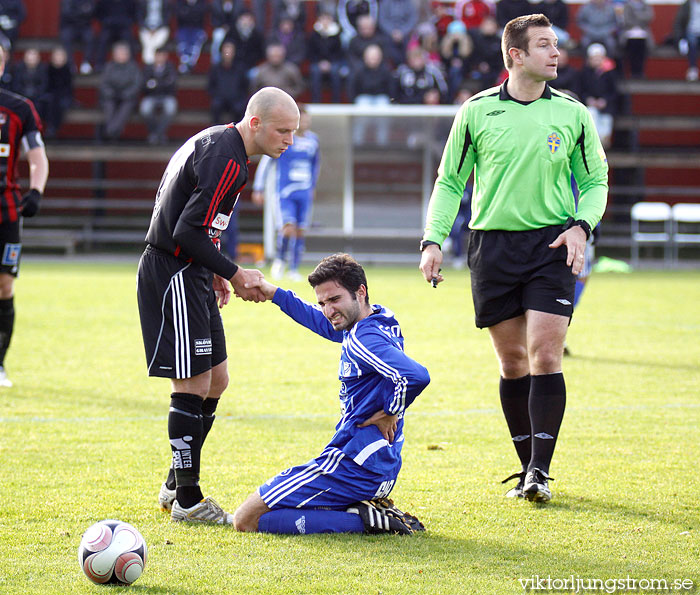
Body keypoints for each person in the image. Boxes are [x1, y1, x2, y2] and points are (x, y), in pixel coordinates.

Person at [419, 14, 608, 503]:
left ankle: (540, 472)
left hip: (551, 244)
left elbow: (595, 184)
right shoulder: (476, 112)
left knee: (546, 354)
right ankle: (526, 467)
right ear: (515, 55)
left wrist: (581, 227)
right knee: (513, 362)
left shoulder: (572, 114)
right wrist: (433, 239)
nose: (555, 53)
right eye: (544, 45)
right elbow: (450, 183)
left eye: (556, 45)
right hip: (492, 247)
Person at [137, 87, 299, 524]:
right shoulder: (225, 157)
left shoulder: (221, 146)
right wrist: (233, 271)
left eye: (293, 132)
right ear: (255, 123)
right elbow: (185, 230)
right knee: (190, 385)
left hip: (191, 270)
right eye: (283, 131)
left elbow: (198, 222)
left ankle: (176, 481)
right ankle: (188, 499)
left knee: (217, 380)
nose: (289, 140)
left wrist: (212, 268)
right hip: (173, 271)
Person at [232, 253, 430, 535]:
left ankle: (368, 520)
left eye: (334, 300)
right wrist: (273, 293)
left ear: (359, 292)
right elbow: (324, 324)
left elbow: (417, 375)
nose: (327, 310)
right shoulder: (377, 320)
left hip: (353, 464)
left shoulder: (363, 339)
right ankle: (364, 510)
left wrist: (391, 411)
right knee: (272, 512)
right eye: (322, 302)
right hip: (377, 465)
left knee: (246, 519)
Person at [0, 45, 49, 387]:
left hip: (5, 211)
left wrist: (36, 191)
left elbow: (37, 157)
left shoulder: (18, 108)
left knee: (4, 285)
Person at [252, 105, 320, 281]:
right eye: (301, 119)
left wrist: (313, 187)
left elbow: (315, 166)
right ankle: (280, 259)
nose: (304, 122)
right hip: (285, 192)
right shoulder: (284, 141)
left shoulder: (313, 141)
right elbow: (266, 163)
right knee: (288, 228)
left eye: (307, 119)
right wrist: (258, 187)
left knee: (300, 230)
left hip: (304, 192)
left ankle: (294, 268)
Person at [98, 41, 141, 141]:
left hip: (127, 97)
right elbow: (104, 84)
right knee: (109, 106)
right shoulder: (109, 67)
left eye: (124, 53)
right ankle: (113, 132)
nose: (121, 56)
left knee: (126, 107)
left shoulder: (133, 68)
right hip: (111, 97)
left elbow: (137, 84)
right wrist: (111, 93)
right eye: (119, 54)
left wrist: (126, 94)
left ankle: (110, 130)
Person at [139, 46, 178, 145]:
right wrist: (162, 83)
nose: (160, 57)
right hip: (151, 96)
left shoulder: (170, 68)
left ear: (166, 57)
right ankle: (157, 133)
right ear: (155, 56)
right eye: (158, 55)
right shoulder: (148, 68)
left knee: (170, 109)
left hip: (166, 96)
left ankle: (156, 134)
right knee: (145, 110)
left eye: (162, 55)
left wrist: (155, 84)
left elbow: (172, 85)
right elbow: (143, 85)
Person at [207, 40, 248, 125]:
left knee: (239, 108)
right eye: (225, 51)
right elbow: (210, 86)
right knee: (216, 106)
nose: (228, 54)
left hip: (236, 99)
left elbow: (244, 86)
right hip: (220, 98)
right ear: (221, 52)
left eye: (230, 52)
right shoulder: (215, 69)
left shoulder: (240, 68)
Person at [44, 46, 74, 139]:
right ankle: (51, 129)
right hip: (51, 95)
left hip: (64, 96)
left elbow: (69, 88)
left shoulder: (67, 70)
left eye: (61, 56)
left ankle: (53, 129)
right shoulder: (48, 69)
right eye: (57, 56)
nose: (58, 58)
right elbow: (46, 85)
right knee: (49, 102)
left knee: (60, 104)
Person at [59, 0, 96, 74]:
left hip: (85, 26)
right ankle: (70, 64)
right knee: (65, 37)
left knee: (90, 37)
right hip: (70, 26)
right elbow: (66, 13)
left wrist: (76, 11)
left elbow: (92, 12)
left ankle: (86, 63)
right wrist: (82, 11)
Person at [137, 0, 172, 66]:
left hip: (161, 29)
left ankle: (150, 67)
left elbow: (167, 18)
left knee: (155, 44)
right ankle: (152, 67)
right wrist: (148, 28)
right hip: (146, 29)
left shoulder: (166, 3)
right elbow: (139, 17)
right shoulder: (142, 2)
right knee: (148, 44)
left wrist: (156, 29)